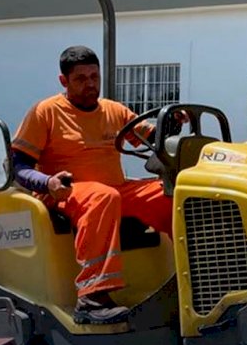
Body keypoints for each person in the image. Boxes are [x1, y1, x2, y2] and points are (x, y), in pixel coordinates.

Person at [11, 45, 173, 325]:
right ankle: (92, 298)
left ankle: (198, 278)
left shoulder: (113, 110)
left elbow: (150, 137)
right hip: (63, 191)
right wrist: (47, 182)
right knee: (102, 197)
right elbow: (19, 166)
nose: (90, 84)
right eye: (81, 79)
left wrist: (171, 124)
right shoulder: (45, 112)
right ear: (64, 81)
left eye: (94, 77)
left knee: (173, 193)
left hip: (115, 189)